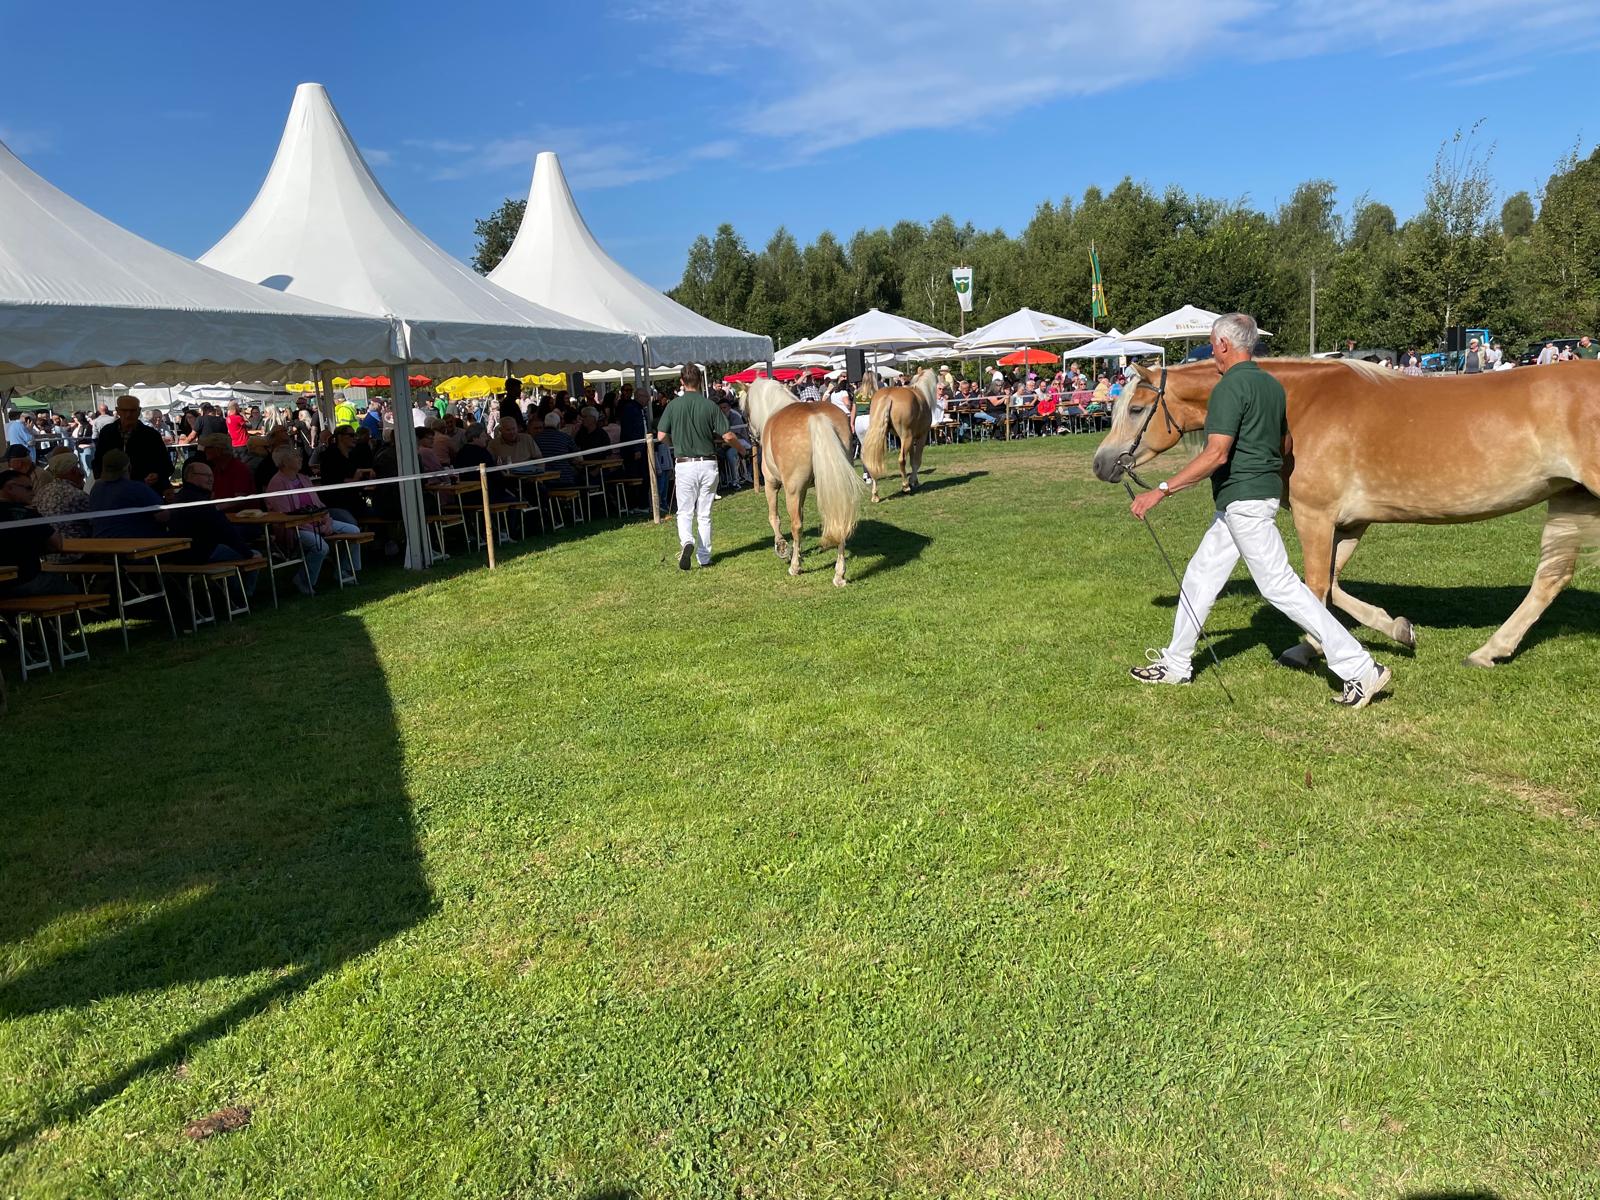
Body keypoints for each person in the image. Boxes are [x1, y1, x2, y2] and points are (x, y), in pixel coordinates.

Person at [1127, 312, 1393, 708]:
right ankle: (1176, 661)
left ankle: (1360, 668)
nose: (1213, 353)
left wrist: (1160, 491)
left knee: (1281, 588)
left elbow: (1215, 454)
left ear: (1222, 345)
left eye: (1214, 345)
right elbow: (1284, 445)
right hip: (1248, 498)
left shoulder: (1227, 389)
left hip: (1244, 502)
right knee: (1201, 574)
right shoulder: (1272, 386)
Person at [656, 364, 736, 570]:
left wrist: (674, 444)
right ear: (700, 381)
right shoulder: (710, 405)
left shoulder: (673, 405)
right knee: (705, 512)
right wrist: (742, 450)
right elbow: (727, 435)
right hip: (708, 463)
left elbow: (661, 436)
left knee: (684, 511)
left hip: (685, 463)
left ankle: (687, 541)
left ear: (681, 382)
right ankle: (704, 556)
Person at [264, 446, 361, 594]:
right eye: (295, 455)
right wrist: (319, 529)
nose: (300, 458)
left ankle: (344, 570)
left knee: (354, 531)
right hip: (294, 529)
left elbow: (319, 505)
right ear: (284, 462)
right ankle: (303, 579)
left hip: (318, 522)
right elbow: (287, 516)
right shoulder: (276, 484)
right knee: (321, 546)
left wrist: (327, 521)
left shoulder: (304, 479)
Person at [168, 458, 260, 600]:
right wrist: (247, 553)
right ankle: (243, 596)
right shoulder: (201, 502)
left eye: (212, 476)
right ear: (191, 477)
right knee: (254, 554)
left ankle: (232, 596)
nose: (211, 479)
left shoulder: (180, 497)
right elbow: (225, 531)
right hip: (200, 553)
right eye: (207, 476)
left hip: (180, 553)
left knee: (229, 552)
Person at [0, 469, 69, 597]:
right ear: (9, 487)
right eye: (28, 488)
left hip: (3, 587)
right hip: (25, 581)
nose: (33, 492)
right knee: (69, 587)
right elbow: (57, 545)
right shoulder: (27, 514)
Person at [93, 396, 172, 493]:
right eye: (124, 410)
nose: (128, 414)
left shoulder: (151, 435)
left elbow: (166, 465)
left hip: (145, 491)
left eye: (133, 410)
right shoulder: (107, 432)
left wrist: (157, 475)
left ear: (139, 411)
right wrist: (101, 480)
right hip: (114, 490)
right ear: (118, 411)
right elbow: (98, 461)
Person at [87, 450, 166, 537]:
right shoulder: (136, 488)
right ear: (129, 467)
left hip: (101, 543)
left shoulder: (96, 488)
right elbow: (163, 515)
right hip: (134, 544)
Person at [32, 450, 92, 556]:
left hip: (48, 554)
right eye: (77, 467)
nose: (81, 472)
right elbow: (95, 521)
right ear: (73, 471)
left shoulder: (42, 492)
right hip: (77, 553)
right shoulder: (76, 495)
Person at [533, 411, 580, 485]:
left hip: (544, 481)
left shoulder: (536, 439)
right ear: (558, 425)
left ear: (544, 424)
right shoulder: (566, 437)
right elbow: (578, 459)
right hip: (565, 479)